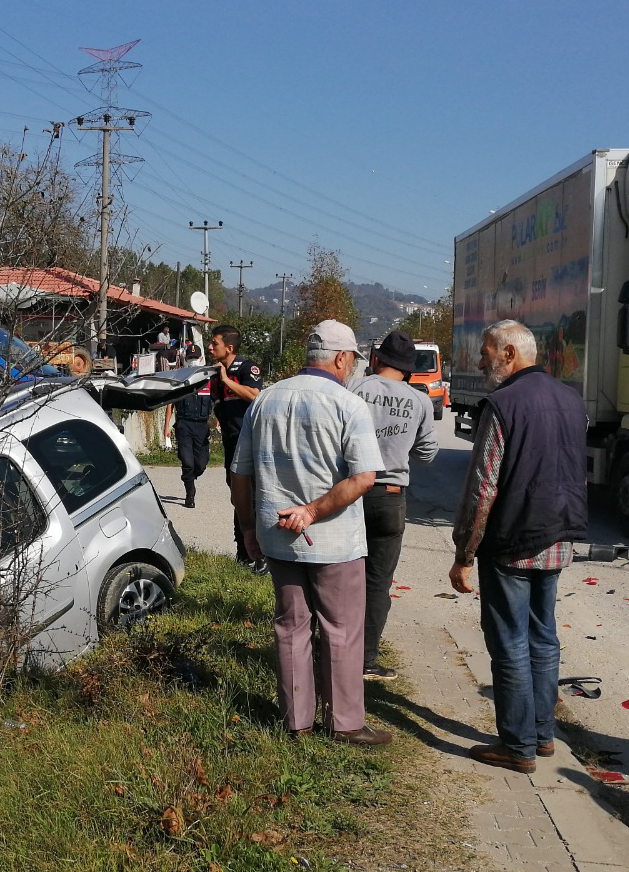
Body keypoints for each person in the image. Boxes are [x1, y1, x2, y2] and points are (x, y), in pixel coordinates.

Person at [231, 320, 389, 746]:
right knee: (340, 629)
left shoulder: (264, 400)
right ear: (341, 358)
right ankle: (344, 724)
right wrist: (313, 511)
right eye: (352, 358)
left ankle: (296, 722)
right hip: (335, 543)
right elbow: (364, 478)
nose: (352, 365)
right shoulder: (347, 404)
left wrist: (248, 527)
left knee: (290, 626)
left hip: (277, 538)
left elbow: (240, 475)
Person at [448, 320, 588, 775]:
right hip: (560, 535)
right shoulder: (570, 399)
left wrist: (464, 553)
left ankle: (517, 745)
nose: (480, 361)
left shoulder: (503, 404)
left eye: (486, 352)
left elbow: (482, 488)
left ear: (509, 353)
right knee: (543, 636)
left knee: (509, 642)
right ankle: (543, 735)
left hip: (513, 540)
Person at [350, 329, 439, 679]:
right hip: (390, 499)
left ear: (377, 359)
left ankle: (329, 648)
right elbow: (428, 454)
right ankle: (365, 660)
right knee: (377, 583)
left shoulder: (355, 389)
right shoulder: (418, 401)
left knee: (340, 575)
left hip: (350, 492)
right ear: (410, 369)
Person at [209, 324, 264, 568]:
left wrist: (226, 381)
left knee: (252, 497)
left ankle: (260, 556)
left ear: (229, 347)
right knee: (237, 497)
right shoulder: (216, 371)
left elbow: (255, 395)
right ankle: (243, 553)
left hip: (251, 441)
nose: (210, 347)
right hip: (231, 441)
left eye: (215, 344)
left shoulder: (246, 367)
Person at [173, 360, 214, 507]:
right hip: (184, 425)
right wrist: (166, 426)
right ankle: (190, 494)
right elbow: (171, 403)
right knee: (187, 461)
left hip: (201, 427)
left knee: (201, 464)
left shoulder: (208, 383)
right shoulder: (181, 383)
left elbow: (216, 401)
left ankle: (190, 477)